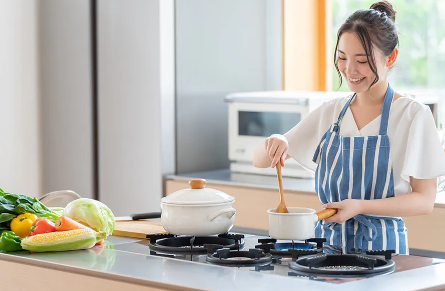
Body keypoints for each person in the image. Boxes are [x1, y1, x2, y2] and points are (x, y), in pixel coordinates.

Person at [253, 1, 445, 254]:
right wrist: (277, 140)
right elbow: (260, 160)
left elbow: (423, 201)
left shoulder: (412, 115)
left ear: (391, 56)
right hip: (326, 249)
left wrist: (360, 206)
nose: (350, 70)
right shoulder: (331, 112)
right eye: (342, 58)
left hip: (383, 252)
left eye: (362, 60)